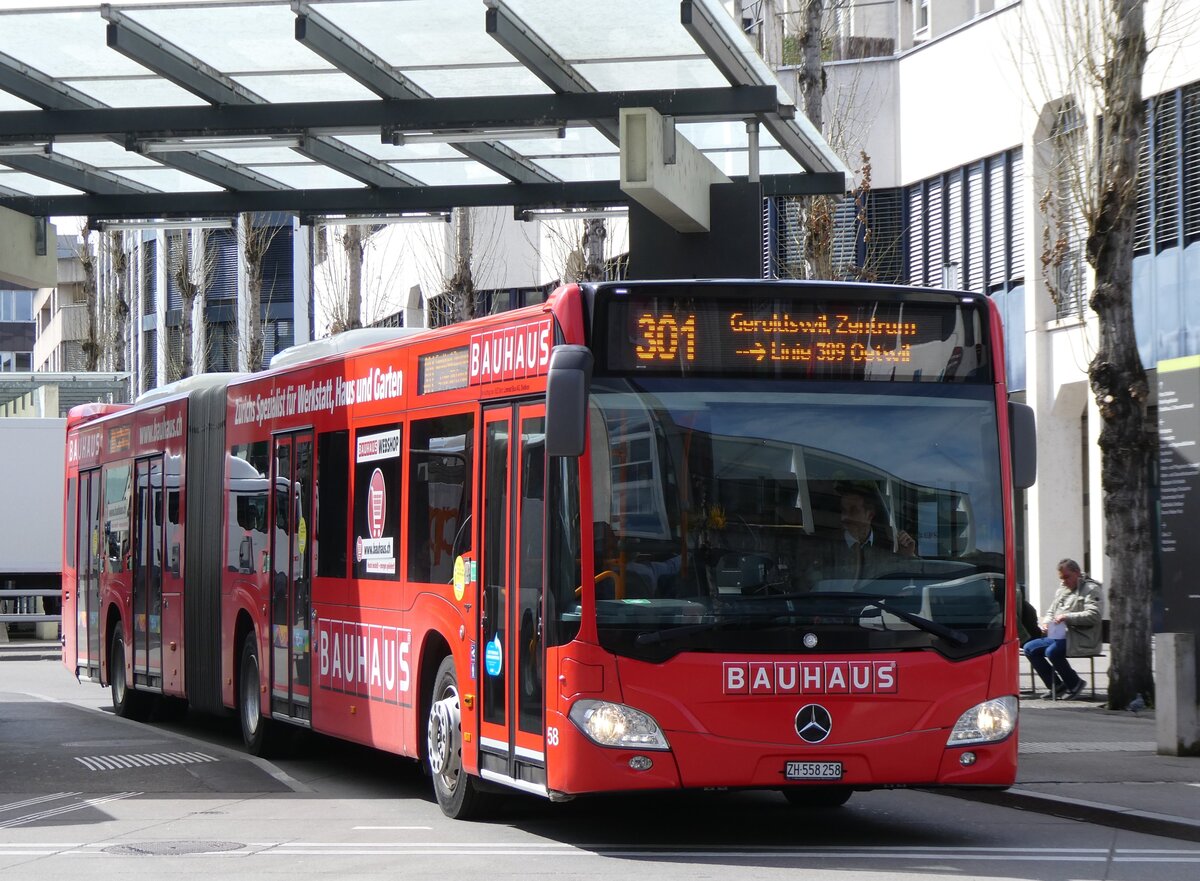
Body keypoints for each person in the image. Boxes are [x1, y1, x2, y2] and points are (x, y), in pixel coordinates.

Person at [1023, 558, 1102, 700]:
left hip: (1081, 637)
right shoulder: (1062, 590)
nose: (1064, 581)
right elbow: (1051, 611)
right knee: (1029, 648)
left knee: (1052, 651)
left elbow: (1094, 615)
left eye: (1067, 577)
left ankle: (1074, 683)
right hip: (1059, 635)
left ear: (1077, 573)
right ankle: (1057, 686)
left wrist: (1067, 617)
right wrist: (1046, 623)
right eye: (1061, 578)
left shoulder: (1091, 589)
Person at [829, 481, 917, 583]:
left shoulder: (890, 545)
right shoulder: (827, 545)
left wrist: (908, 556)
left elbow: (905, 583)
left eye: (853, 511)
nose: (844, 517)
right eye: (843, 510)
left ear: (870, 515)